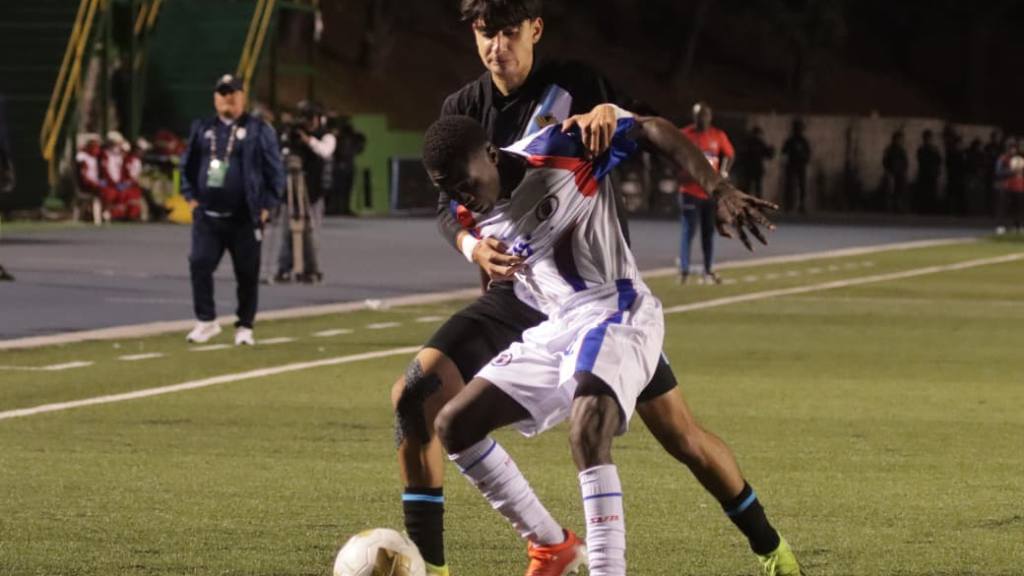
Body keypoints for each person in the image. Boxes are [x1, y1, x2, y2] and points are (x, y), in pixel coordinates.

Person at [390, 2, 801, 576]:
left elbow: (652, 126)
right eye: (485, 33)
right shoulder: (462, 123)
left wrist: (715, 186)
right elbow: (450, 208)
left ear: (534, 29)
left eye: (508, 32)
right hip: (536, 305)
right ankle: (546, 546)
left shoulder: (567, 122)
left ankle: (770, 549)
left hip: (613, 303)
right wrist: (471, 245)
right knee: (442, 416)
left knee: (671, 437)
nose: (496, 46)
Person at [180, 74, 284, 345]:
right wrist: (190, 195)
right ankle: (206, 320)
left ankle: (245, 326)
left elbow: (275, 170)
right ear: (215, 97)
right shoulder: (202, 127)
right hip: (208, 215)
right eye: (222, 93)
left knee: (247, 273)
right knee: (199, 264)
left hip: (244, 216)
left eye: (233, 93)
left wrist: (267, 205)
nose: (227, 98)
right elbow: (187, 164)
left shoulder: (259, 128)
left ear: (242, 97)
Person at [275, 101, 334, 283]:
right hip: (291, 189)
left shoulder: (326, 136)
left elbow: (326, 152)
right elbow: (281, 154)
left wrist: (309, 140)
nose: (308, 122)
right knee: (287, 231)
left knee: (310, 231)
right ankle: (284, 268)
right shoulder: (293, 136)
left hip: (313, 192)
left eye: (311, 118)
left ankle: (311, 269)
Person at [677, 101, 734, 285]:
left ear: (709, 117)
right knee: (688, 231)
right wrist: (680, 172)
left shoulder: (718, 135)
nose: (701, 119)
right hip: (689, 191)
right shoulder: (685, 134)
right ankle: (684, 270)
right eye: (697, 115)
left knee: (708, 233)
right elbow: (672, 153)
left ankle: (708, 270)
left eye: (704, 115)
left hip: (709, 192)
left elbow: (730, 154)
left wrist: (724, 171)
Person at [736, 125, 774, 199]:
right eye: (757, 134)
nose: (757, 136)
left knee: (757, 188)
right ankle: (748, 203)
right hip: (749, 169)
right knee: (749, 188)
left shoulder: (759, 143)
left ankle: (757, 204)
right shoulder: (748, 143)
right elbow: (742, 155)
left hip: (756, 169)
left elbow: (768, 155)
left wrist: (771, 150)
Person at [781, 119, 811, 213]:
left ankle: (801, 205)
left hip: (800, 166)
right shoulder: (791, 140)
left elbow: (808, 153)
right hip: (792, 166)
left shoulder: (803, 141)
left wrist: (804, 159)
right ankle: (789, 205)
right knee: (790, 186)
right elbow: (784, 151)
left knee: (801, 186)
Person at [995, 138, 1024, 232]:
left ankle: (1018, 226)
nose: (1013, 150)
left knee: (1019, 207)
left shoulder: (1019, 159)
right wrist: (1012, 171)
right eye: (1011, 148)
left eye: (1014, 148)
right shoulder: (1003, 158)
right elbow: (998, 172)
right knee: (1003, 207)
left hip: (1019, 187)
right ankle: (1001, 226)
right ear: (1007, 148)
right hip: (1006, 186)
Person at [914, 129, 942, 214]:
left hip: (932, 173)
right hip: (924, 173)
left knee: (932, 191)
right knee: (924, 192)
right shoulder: (921, 149)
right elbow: (921, 160)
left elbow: (939, 160)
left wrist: (937, 170)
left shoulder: (934, 149)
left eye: (929, 138)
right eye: (926, 138)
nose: (928, 140)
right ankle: (924, 209)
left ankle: (931, 208)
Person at [881, 130, 909, 214]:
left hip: (899, 173)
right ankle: (890, 207)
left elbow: (905, 162)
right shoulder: (889, 149)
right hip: (892, 173)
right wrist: (888, 171)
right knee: (891, 191)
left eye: (900, 139)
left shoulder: (901, 150)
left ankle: (898, 207)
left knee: (899, 191)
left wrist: (903, 171)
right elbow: (885, 161)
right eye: (898, 139)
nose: (899, 141)